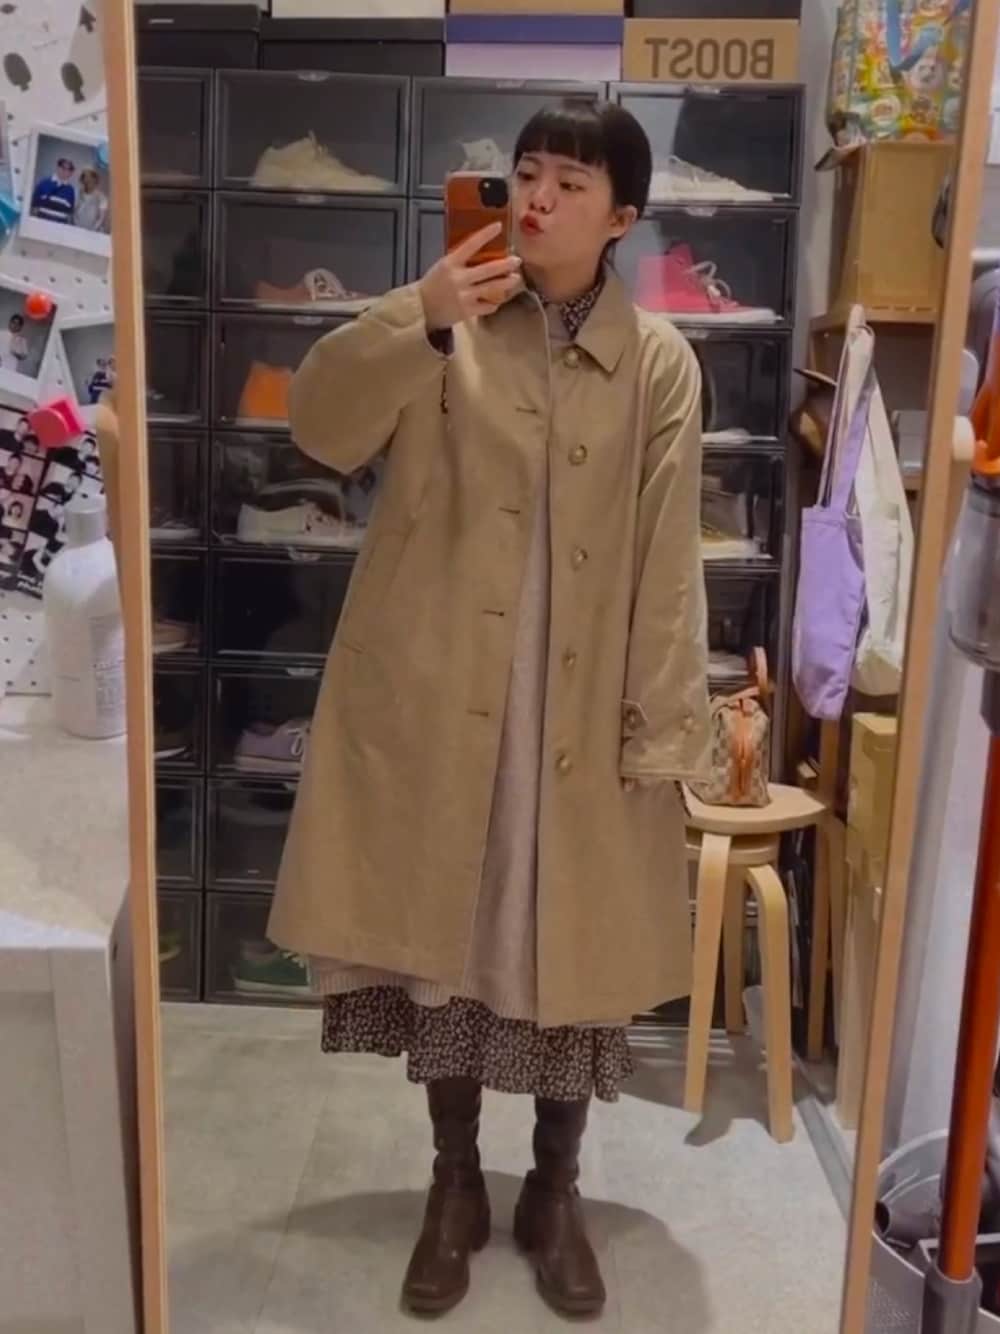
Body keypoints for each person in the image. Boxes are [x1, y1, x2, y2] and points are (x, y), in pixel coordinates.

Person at [266, 100, 711, 1319]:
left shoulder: (659, 363)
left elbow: (670, 561)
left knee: (571, 954)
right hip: (440, 696)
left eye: (571, 181)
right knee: (446, 951)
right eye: (525, 172)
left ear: (621, 217)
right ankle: (453, 1181)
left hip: (582, 711)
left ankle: (553, 1189)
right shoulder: (443, 319)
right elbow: (320, 427)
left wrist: (661, 731)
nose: (537, 198)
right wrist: (416, 316)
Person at [31, 156, 76, 225]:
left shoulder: (71, 190)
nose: (65, 171)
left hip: (59, 227)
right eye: (63, 168)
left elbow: (69, 214)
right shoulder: (43, 183)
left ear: (71, 173)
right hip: (41, 225)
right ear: (58, 168)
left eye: (69, 169)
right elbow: (33, 207)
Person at [74, 166, 109, 234]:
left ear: (95, 182)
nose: (88, 183)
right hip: (77, 230)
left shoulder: (102, 197)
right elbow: (74, 212)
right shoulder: (77, 193)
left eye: (91, 180)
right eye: (85, 180)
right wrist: (76, 227)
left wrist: (92, 231)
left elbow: (101, 218)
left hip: (92, 232)